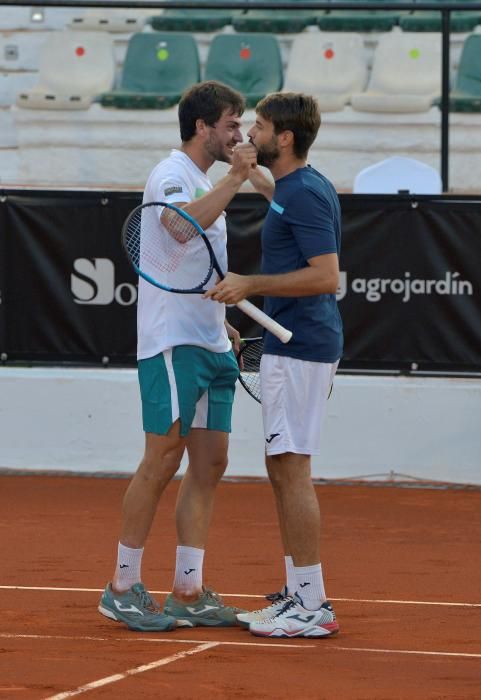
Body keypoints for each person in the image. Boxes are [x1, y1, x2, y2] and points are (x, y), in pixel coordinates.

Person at [98, 80, 258, 632]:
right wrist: (238, 176)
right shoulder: (171, 174)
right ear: (202, 128)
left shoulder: (202, 180)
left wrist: (225, 324)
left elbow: (197, 267)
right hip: (171, 343)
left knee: (210, 463)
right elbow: (175, 226)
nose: (240, 135)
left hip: (211, 341)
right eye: (232, 125)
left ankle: (188, 591)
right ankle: (122, 585)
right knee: (163, 458)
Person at [205, 92, 343, 638]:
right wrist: (245, 175)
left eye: (258, 128)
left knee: (291, 469)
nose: (248, 135)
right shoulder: (294, 186)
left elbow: (326, 276)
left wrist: (250, 284)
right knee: (282, 467)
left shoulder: (305, 194)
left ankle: (311, 604)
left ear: (283, 138)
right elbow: (272, 193)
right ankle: (298, 592)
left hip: (302, 344)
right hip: (297, 344)